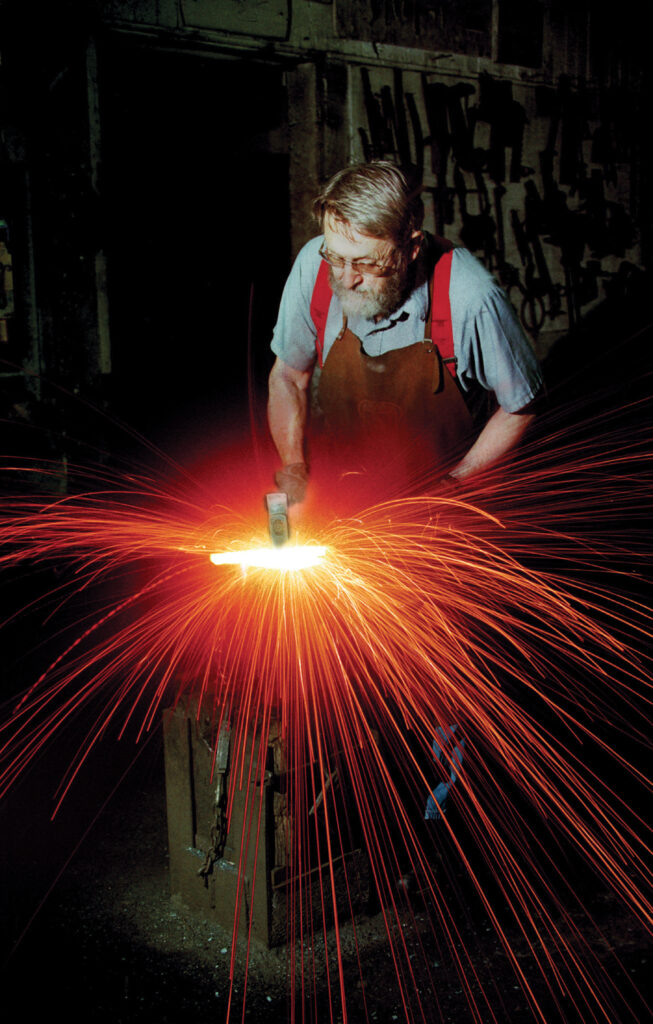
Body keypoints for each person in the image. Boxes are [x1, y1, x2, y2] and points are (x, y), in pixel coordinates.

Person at [268, 161, 543, 508]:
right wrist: (294, 468)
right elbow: (288, 376)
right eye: (336, 258)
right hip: (345, 492)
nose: (346, 278)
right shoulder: (314, 264)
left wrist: (454, 487)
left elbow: (521, 406)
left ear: (410, 250)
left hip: (440, 506)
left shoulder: (471, 296)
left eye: (367, 264)